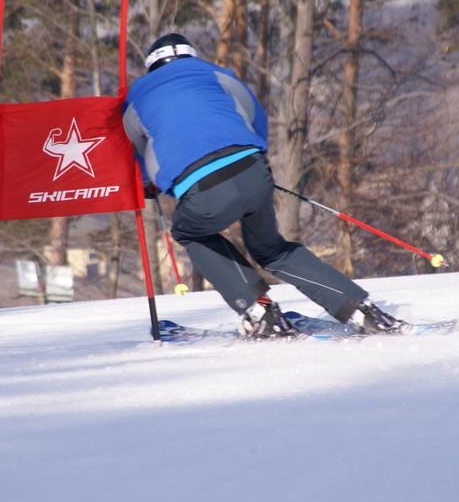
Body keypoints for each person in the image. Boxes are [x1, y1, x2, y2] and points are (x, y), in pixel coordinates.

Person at [122, 33, 408, 339]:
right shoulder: (216, 73)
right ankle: (359, 309)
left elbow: (135, 146)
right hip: (252, 167)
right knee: (271, 249)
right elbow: (255, 116)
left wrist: (147, 183)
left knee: (189, 231)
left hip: (200, 184)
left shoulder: (138, 94)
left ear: (152, 65)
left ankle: (258, 310)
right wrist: (255, 158)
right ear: (191, 55)